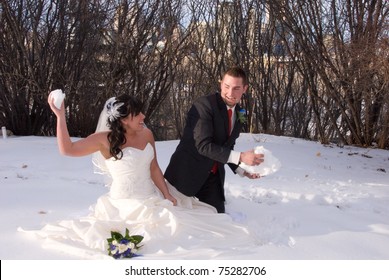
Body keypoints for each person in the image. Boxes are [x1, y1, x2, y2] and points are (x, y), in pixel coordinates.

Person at [19, 92, 259, 259]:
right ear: (123, 120)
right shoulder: (103, 140)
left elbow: (154, 167)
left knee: (189, 223)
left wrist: (166, 194)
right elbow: (67, 150)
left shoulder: (146, 134)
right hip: (122, 202)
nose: (144, 116)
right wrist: (60, 116)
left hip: (150, 196)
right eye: (137, 114)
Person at [165, 66, 263, 213]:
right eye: (227, 86)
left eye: (236, 88)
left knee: (218, 219)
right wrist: (241, 156)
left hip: (213, 179)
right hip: (186, 175)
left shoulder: (241, 112)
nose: (230, 93)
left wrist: (242, 169)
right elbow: (203, 146)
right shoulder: (204, 105)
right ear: (221, 84)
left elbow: (227, 145)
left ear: (245, 89)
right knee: (183, 225)